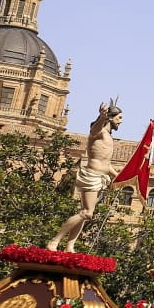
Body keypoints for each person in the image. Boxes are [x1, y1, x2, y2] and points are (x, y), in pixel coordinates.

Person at [48, 102, 121, 251]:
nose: (121, 121)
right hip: (91, 176)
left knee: (85, 213)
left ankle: (70, 246)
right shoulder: (99, 132)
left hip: (101, 177)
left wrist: (117, 176)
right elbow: (94, 130)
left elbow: (106, 163)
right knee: (87, 213)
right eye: (119, 117)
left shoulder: (109, 137)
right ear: (110, 117)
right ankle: (54, 241)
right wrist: (102, 116)